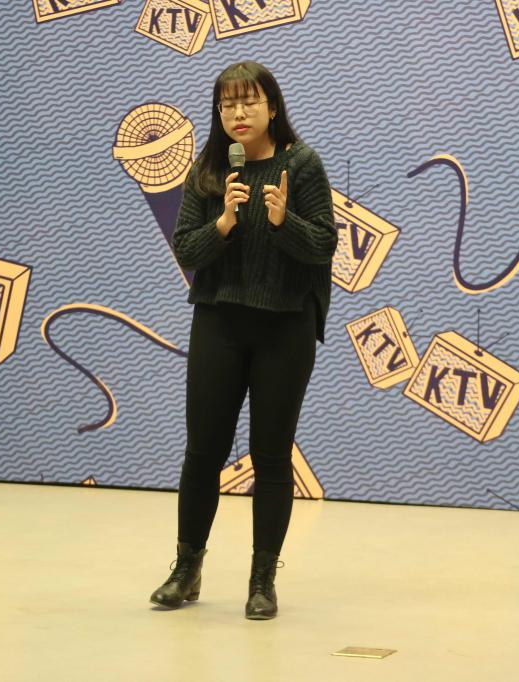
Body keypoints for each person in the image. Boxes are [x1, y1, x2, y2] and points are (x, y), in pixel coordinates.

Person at [149, 61, 337, 620]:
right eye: (227, 104)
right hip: (219, 322)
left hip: (285, 325)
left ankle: (262, 580)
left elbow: (324, 245)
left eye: (249, 102)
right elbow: (187, 249)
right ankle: (187, 569)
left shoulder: (301, 164)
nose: (238, 113)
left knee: (271, 455)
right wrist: (224, 223)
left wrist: (283, 222)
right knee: (203, 451)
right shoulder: (209, 169)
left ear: (272, 108)